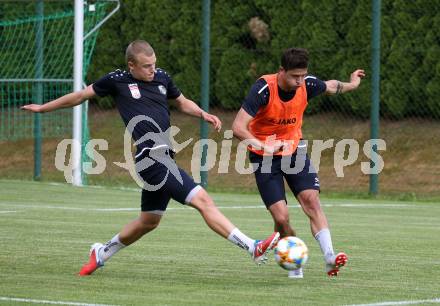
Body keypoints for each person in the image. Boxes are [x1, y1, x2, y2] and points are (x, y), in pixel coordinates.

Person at [21, 40, 280, 276]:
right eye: (146, 67)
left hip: (163, 157)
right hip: (150, 158)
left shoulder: (162, 78)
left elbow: (181, 102)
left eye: (154, 64)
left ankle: (102, 252)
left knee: (148, 221)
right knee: (202, 200)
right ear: (131, 65)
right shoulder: (116, 80)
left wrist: (203, 113)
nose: (152, 70)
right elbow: (79, 96)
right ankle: (252, 247)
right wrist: (44, 108)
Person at [232, 47, 365, 278]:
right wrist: (266, 146)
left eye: (303, 76)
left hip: (294, 151)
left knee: (311, 200)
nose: (300, 81)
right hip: (264, 157)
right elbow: (237, 127)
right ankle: (294, 260)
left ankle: (329, 257)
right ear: (281, 71)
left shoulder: (307, 84)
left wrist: (352, 84)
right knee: (282, 218)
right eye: (295, 76)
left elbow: (331, 86)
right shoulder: (263, 89)